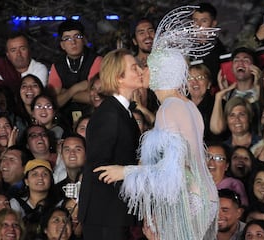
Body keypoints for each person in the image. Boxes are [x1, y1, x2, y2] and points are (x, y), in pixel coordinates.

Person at [91, 6, 219, 240]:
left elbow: (172, 172)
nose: (143, 70)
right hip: (206, 197)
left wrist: (125, 172)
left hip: (189, 200)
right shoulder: (188, 106)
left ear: (162, 71)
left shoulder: (169, 109)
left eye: (148, 66)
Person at [78, 48, 142, 240]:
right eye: (134, 68)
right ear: (119, 77)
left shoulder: (122, 112)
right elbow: (100, 166)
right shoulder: (108, 114)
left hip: (115, 212)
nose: (140, 71)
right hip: (104, 213)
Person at [48, 19, 102, 127]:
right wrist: (75, 89)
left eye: (77, 37)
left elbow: (94, 97)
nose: (73, 42)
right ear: (62, 45)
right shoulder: (57, 65)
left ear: (84, 40)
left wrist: (65, 94)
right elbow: (53, 102)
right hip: (64, 119)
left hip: (93, 116)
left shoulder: (96, 60)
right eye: (67, 38)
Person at [192, 2, 227, 90]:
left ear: (213, 23)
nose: (198, 25)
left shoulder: (219, 50)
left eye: (204, 21)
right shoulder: (185, 47)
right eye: (195, 20)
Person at [206, 142, 249, 207]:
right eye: (207, 156)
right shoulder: (194, 183)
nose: (211, 162)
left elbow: (242, 210)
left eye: (219, 158)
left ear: (226, 165)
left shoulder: (234, 185)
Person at [188, 63, 217, 142]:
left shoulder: (217, 103)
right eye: (189, 78)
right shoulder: (180, 104)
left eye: (200, 77)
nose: (194, 81)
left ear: (209, 84)